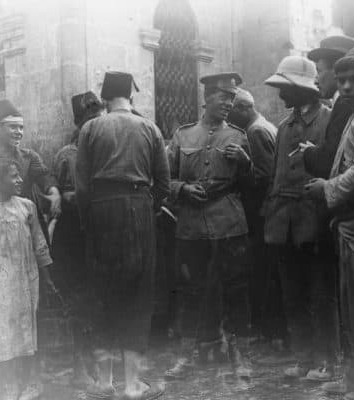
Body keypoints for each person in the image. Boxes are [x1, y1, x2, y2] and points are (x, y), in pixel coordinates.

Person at [75, 71, 169, 400]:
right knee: (138, 295)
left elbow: (81, 186)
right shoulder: (150, 128)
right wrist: (145, 208)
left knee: (103, 293)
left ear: (104, 98)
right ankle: (132, 385)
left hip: (101, 212)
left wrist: (92, 218)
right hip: (139, 211)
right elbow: (164, 184)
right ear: (131, 97)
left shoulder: (89, 128)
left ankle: (105, 381)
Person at [164, 72, 254, 380]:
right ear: (206, 99)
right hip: (191, 226)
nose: (228, 103)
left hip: (229, 224)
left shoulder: (240, 136)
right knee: (190, 291)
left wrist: (245, 162)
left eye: (232, 98)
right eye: (222, 97)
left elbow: (253, 185)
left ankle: (239, 356)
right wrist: (182, 190)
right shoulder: (183, 136)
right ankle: (186, 356)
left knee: (237, 291)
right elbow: (165, 180)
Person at [303, 45, 354, 400]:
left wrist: (327, 189)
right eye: (343, 80)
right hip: (346, 220)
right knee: (349, 303)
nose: (346, 86)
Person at [262, 55, 333, 380]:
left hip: (314, 220)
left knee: (319, 293)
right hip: (283, 222)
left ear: (304, 89)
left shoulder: (329, 121)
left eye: (285, 87)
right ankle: (303, 358)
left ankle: (325, 361)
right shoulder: (284, 127)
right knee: (292, 293)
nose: (281, 95)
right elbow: (277, 177)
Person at [0, 157, 56, 400]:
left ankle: (32, 383)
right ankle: (10, 384)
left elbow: (39, 244)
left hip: (25, 278)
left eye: (20, 175)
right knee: (2, 333)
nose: (20, 180)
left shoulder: (26, 207)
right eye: (13, 176)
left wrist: (48, 279)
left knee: (27, 330)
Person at [51, 90, 103, 389]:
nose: (94, 124)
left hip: (99, 233)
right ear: (79, 122)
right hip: (73, 236)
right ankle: (79, 367)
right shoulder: (66, 155)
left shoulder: (106, 149)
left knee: (97, 300)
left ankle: (95, 362)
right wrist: (72, 197)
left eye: (98, 118)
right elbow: (56, 197)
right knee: (78, 302)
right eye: (88, 120)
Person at [0, 100, 61, 244]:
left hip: (29, 230)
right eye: (13, 127)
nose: (19, 132)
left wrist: (54, 193)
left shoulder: (29, 157)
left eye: (21, 128)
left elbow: (44, 176)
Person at [227, 88, 281, 342]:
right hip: (268, 212)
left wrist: (241, 165)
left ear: (245, 108)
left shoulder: (256, 131)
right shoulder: (263, 126)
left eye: (232, 111)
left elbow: (263, 177)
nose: (229, 118)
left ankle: (266, 330)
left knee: (262, 270)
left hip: (262, 214)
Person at [303, 34, 354, 179]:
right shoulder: (347, 102)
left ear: (338, 72)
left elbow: (329, 162)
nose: (316, 80)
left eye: (319, 71)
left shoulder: (344, 103)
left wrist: (309, 152)